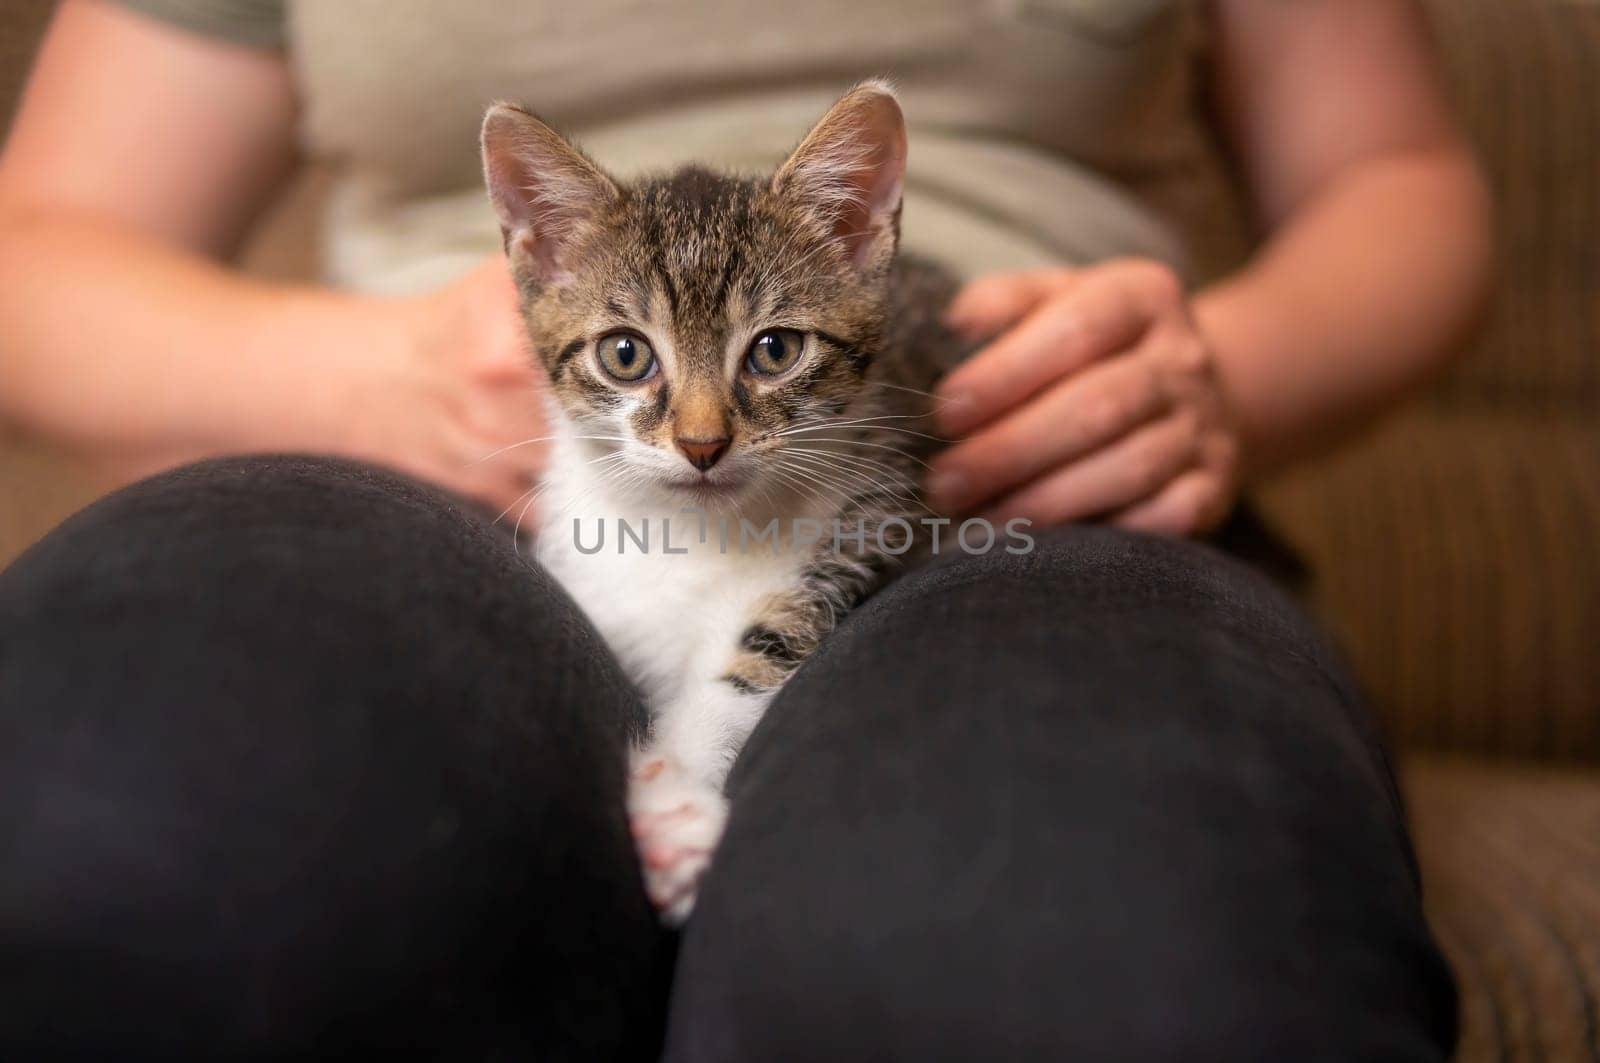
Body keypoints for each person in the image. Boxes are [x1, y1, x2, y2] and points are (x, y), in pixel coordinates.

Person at [0, 1, 1488, 1059]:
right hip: (424, 443)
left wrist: (1222, 366)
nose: (701, 427)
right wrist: (353, 375)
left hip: (1002, 462)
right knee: (124, 819)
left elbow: (1396, 174)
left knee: (1096, 940)